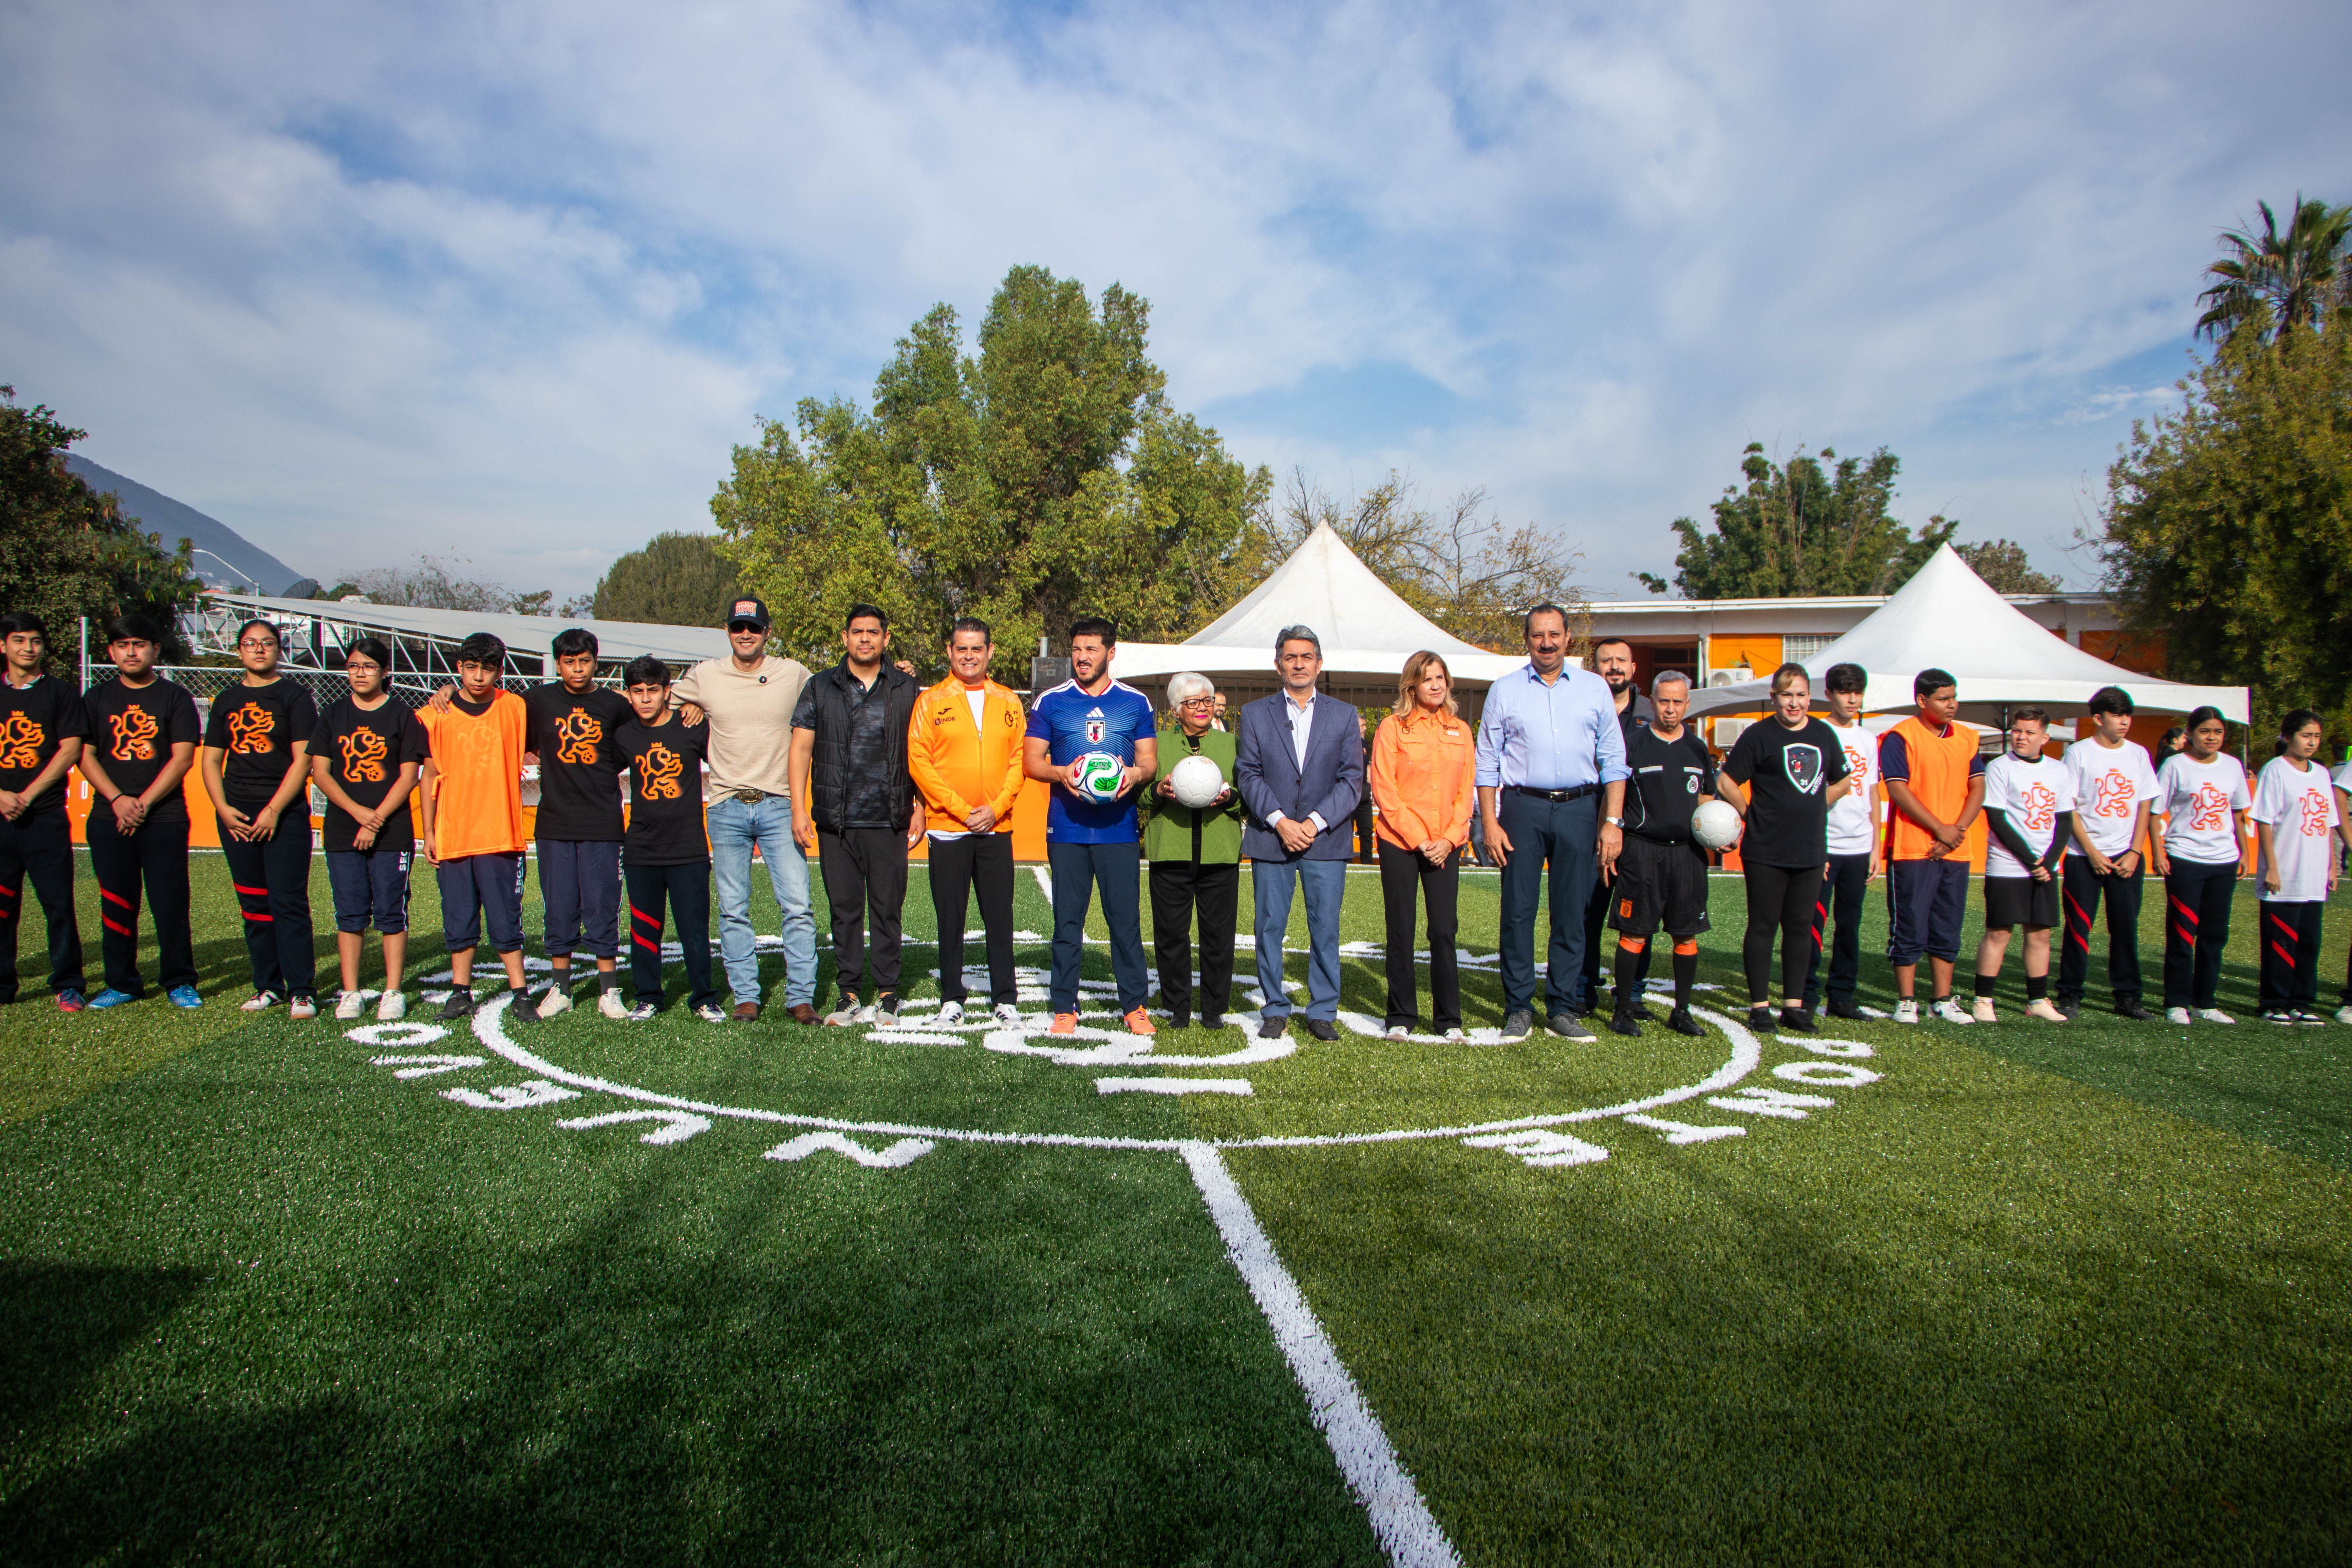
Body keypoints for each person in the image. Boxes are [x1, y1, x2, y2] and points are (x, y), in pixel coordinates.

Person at [1475, 604, 1628, 1042]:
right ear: (1526, 639)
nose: (1546, 642)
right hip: (1522, 808)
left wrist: (1612, 821)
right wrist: (1489, 820)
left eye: (1554, 634)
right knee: (1518, 911)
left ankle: (1562, 1006)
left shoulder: (1594, 688)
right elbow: (1486, 760)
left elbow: (1614, 760)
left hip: (1580, 808)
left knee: (1571, 913)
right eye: (1538, 634)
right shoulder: (1504, 690)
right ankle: (1518, 1006)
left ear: (1568, 638)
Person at [673, 597, 818, 1023]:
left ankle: (801, 997)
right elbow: (654, 700)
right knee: (733, 907)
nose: (746, 634)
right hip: (725, 806)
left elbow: (835, 689)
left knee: (797, 904)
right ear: (727, 631)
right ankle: (746, 996)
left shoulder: (792, 672)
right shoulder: (705, 676)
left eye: (753, 628)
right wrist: (689, 703)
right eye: (738, 627)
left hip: (779, 805)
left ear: (767, 632)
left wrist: (899, 673)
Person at [791, 604, 922, 1027]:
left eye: (872, 632)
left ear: (886, 638)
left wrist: (919, 805)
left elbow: (920, 752)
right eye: (857, 632)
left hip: (888, 817)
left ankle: (887, 993)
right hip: (836, 820)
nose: (864, 638)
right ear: (845, 638)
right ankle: (848, 993)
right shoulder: (819, 686)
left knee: (887, 908)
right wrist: (798, 806)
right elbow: (800, 749)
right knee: (843, 909)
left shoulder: (907, 687)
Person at [1024, 617, 1156, 1036]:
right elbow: (1032, 763)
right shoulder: (1051, 701)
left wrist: (1134, 776)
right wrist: (1064, 773)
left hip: (1118, 829)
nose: (1083, 657)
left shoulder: (1136, 702)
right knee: (1067, 921)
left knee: (1125, 922)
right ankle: (1065, 1005)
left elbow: (1149, 761)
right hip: (1067, 829)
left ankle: (1134, 1005)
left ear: (1110, 653)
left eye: (1092, 649)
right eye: (1077, 649)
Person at [1235, 626, 1363, 1042]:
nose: (1298, 663)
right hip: (1272, 837)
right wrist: (1280, 820)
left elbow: (1351, 780)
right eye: (1290, 657)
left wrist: (1311, 823)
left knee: (1324, 927)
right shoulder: (1255, 713)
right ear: (1278, 664)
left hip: (1325, 839)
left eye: (1306, 656)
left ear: (1319, 663)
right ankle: (1275, 1007)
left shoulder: (1343, 715)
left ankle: (1322, 1009)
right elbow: (1248, 773)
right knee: (1269, 925)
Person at [1717, 663, 1852, 1033]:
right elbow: (1727, 780)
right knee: (1763, 925)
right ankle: (1760, 1006)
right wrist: (1751, 814)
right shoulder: (1759, 735)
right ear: (1774, 697)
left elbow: (1844, 781)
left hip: (1810, 849)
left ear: (1811, 697)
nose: (1795, 703)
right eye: (1787, 695)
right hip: (1765, 849)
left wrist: (1812, 807)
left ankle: (1794, 1006)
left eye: (1802, 695)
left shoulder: (1825, 733)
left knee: (1800, 927)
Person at [907, 617, 1025, 1028]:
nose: (969, 655)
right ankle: (951, 997)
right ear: (949, 650)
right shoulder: (930, 701)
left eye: (977, 648)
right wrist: (960, 809)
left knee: (999, 916)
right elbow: (919, 762)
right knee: (950, 916)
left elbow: (1018, 760)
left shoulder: (1010, 700)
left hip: (997, 825)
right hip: (947, 827)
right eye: (962, 648)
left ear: (990, 651)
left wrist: (995, 807)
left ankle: (1005, 998)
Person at [77, 615, 199, 1010]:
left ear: (155, 650)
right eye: (123, 645)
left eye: (140, 644)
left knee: (170, 901)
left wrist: (143, 802)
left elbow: (182, 758)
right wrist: (117, 798)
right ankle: (122, 981)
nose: (132, 651)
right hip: (108, 816)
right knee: (116, 901)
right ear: (111, 652)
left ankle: (179, 980)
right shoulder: (95, 698)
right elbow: (85, 754)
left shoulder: (174, 697)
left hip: (164, 817)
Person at [200, 619, 317, 1016]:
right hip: (236, 814)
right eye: (251, 644)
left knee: (288, 902)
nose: (259, 650)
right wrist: (222, 807)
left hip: (284, 815)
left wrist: (273, 810)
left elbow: (304, 759)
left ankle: (302, 988)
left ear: (278, 649)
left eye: (267, 643)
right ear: (239, 651)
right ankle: (268, 985)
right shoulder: (227, 698)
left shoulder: (295, 696)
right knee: (253, 905)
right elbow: (212, 759)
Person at [416, 633, 532, 1021]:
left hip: (499, 832)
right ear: (459, 668)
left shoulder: (514, 706)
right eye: (470, 667)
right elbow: (428, 774)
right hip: (453, 833)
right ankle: (459, 991)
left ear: (500, 670)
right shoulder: (438, 713)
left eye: (487, 668)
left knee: (505, 918)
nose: (478, 676)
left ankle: (521, 992)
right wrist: (429, 832)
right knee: (459, 918)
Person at [310, 639, 428, 1021]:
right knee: (350, 912)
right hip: (344, 828)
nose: (360, 673)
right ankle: (351, 991)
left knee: (393, 912)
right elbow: (321, 772)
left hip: (391, 830)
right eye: (354, 666)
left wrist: (375, 819)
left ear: (385, 672)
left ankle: (393, 990)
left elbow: (409, 775)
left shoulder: (402, 716)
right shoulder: (332, 714)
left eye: (369, 666)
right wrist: (358, 813)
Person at [523, 628, 635, 1019]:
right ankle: (561, 989)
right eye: (569, 661)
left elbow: (627, 748)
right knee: (559, 907)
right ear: (558, 663)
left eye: (584, 661)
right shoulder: (537, 700)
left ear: (595, 661)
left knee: (603, 905)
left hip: (602, 821)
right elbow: (509, 729)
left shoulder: (613, 704)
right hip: (554, 821)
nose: (577, 668)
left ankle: (609, 991)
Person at [1366, 652, 1473, 1039]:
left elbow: (1465, 793)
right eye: (1427, 678)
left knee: (1444, 930)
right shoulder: (1392, 729)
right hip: (1400, 842)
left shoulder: (1461, 730)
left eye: (1441, 677)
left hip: (1446, 843)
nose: (1435, 685)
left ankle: (1449, 1019)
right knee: (1401, 929)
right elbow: (1385, 790)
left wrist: (1447, 838)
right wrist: (1420, 838)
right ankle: (1401, 1016)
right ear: (1411, 684)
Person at [1601, 671, 1713, 1039]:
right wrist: (1612, 837)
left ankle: (1682, 1011)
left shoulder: (1698, 749)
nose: (1670, 709)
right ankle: (1623, 1009)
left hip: (1688, 855)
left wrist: (1719, 832)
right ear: (1653, 701)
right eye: (1663, 701)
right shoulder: (1632, 744)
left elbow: (1706, 803)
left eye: (1677, 702)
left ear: (1687, 704)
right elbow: (1613, 795)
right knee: (1635, 934)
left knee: (1686, 936)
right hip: (1642, 852)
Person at [616, 656, 724, 1022]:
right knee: (645, 929)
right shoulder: (625, 734)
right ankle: (648, 996)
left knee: (694, 927)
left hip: (688, 848)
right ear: (628, 694)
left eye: (652, 690)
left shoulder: (691, 726)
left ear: (668, 691)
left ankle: (705, 997)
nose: (645, 699)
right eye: (637, 691)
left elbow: (728, 749)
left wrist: (697, 706)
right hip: (642, 849)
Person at [1879, 667, 1985, 1024]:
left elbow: (1977, 789)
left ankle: (1942, 1000)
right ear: (1922, 701)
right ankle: (1906, 1000)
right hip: (1913, 849)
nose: (1952, 704)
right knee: (1909, 924)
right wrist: (1939, 829)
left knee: (1948, 925)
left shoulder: (1969, 737)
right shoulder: (1901, 736)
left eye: (1954, 697)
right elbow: (1898, 789)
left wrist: (1956, 831)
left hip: (1956, 848)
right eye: (1943, 699)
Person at [1140, 671, 1243, 1030]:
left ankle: (1214, 1008)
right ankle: (1178, 1007)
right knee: (1171, 935)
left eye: (1207, 701)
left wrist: (1230, 799)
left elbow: (1247, 796)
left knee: (1218, 936)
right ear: (1174, 709)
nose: (1202, 708)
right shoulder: (1156, 744)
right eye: (1193, 702)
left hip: (1220, 853)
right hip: (1170, 850)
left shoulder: (1231, 745)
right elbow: (1139, 792)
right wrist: (1158, 792)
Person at [0, 612, 89, 1010]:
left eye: (35, 640)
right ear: (4, 646)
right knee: (3, 904)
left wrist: (27, 794)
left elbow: (69, 749)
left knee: (57, 903)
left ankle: (68, 981)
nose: (28, 648)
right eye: (19, 640)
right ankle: (5, 983)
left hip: (46, 815)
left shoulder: (61, 693)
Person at [2058, 686, 2159, 1021]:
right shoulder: (2079, 753)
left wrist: (2135, 851)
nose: (2125, 722)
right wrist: (2091, 852)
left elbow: (2145, 804)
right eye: (2118, 715)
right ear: (2098, 718)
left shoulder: (2139, 754)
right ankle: (2070, 994)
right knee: (2078, 928)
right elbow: (2067, 806)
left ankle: (2128, 996)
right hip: (2083, 857)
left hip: (2127, 856)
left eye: (2128, 715)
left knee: (2126, 929)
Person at [2150, 707, 2251, 1025]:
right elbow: (2155, 812)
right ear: (2190, 733)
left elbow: (2238, 814)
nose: (2212, 738)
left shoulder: (2233, 766)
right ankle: (2177, 1002)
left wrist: (2245, 853)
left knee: (2215, 934)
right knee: (2182, 934)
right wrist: (2158, 852)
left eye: (2218, 732)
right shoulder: (2175, 765)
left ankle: (2205, 1002)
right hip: (2185, 859)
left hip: (2224, 861)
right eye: (2205, 731)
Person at [1971, 708, 2074, 1023]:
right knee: (1999, 933)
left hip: (2044, 867)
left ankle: (2038, 999)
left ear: (2045, 737)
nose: (2021, 737)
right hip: (2008, 865)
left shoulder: (2058, 770)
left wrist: (2050, 863)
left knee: (2040, 934)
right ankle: (1983, 999)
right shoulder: (2001, 767)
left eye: (2029, 732)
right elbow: (1997, 819)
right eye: (2017, 730)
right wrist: (2032, 861)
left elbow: (2065, 820)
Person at [1578, 636, 1656, 1013]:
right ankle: (1584, 985)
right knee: (1588, 912)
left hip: (1641, 834)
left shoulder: (1654, 713)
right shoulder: (1584, 704)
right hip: (1592, 827)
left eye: (1621, 660)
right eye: (1606, 660)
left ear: (1633, 667)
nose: (1614, 667)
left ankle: (1633, 990)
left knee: (1640, 916)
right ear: (1595, 667)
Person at [2249, 710, 2339, 1025]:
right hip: (2285, 872)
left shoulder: (2322, 773)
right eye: (2306, 736)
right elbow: (2264, 821)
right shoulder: (2275, 770)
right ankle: (2274, 1002)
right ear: (2288, 737)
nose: (2312, 742)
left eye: (2316, 736)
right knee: (2281, 941)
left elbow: (2327, 823)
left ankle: (2302, 1001)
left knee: (2309, 941)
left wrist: (2331, 865)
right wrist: (2271, 868)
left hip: (2314, 873)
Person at [1802, 662, 1880, 1020]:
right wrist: (1816, 843)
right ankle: (1805, 994)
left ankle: (1843, 996)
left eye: (1858, 691)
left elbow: (1875, 792)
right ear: (1829, 694)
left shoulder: (1868, 738)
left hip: (1860, 846)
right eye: (1845, 691)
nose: (1852, 698)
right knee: (1813, 922)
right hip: (1826, 845)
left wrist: (1877, 845)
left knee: (1850, 925)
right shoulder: (1818, 733)